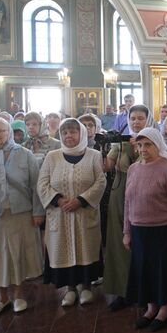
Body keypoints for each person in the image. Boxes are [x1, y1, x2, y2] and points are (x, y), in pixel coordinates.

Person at [37, 118, 106, 307]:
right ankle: (69, 289)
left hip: (85, 214)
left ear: (81, 133)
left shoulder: (93, 155)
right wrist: (58, 200)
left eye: (73, 132)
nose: (69, 136)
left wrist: (80, 200)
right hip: (59, 215)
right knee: (63, 250)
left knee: (86, 249)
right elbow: (42, 184)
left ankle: (86, 287)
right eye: (65, 132)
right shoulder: (52, 156)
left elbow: (100, 182)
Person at [123, 128, 167, 332]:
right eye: (139, 145)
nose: (143, 149)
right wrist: (126, 231)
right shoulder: (133, 169)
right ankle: (150, 308)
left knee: (160, 271)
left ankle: (164, 310)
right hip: (138, 230)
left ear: (157, 145)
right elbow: (127, 202)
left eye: (148, 145)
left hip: (161, 230)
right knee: (144, 270)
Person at [104, 104, 154, 311]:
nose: (136, 122)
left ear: (148, 119)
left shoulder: (152, 139)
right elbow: (107, 166)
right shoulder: (122, 141)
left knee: (143, 243)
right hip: (120, 191)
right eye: (132, 118)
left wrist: (139, 148)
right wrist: (105, 147)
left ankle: (146, 292)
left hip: (145, 194)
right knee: (119, 242)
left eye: (140, 118)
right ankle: (123, 290)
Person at [0, 118, 43, 316]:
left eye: (0, 130)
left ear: (9, 132)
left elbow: (36, 185)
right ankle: (2, 298)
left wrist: (38, 212)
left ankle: (19, 295)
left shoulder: (25, 155)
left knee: (17, 254)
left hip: (20, 213)